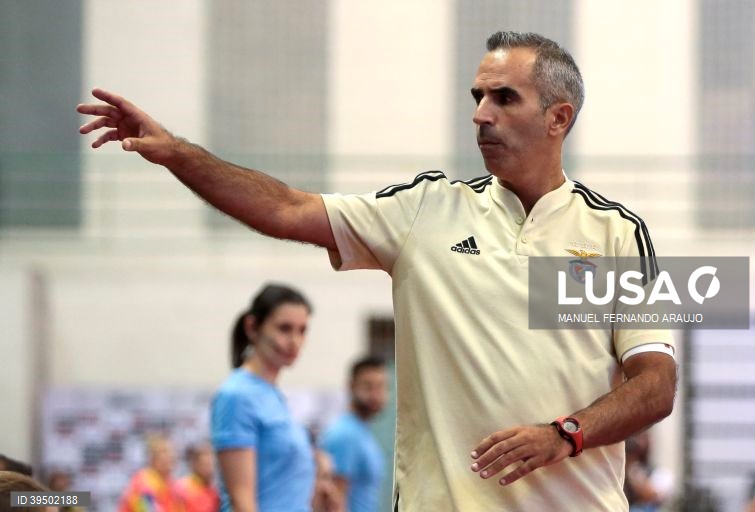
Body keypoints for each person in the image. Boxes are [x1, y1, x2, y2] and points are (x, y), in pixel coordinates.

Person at [78, 30, 678, 511]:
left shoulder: (613, 234)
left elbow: (654, 384)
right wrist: (178, 152)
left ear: (558, 118)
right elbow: (287, 208)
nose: (481, 115)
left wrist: (563, 433)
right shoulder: (425, 211)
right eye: (476, 98)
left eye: (503, 98)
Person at [210, 284, 316, 512]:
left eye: (302, 330)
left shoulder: (273, 395)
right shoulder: (237, 396)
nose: (294, 340)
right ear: (252, 327)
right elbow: (242, 503)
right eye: (284, 328)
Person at [320, 356, 388, 512]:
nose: (376, 394)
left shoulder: (362, 432)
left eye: (381, 386)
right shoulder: (345, 435)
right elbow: (333, 502)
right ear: (351, 386)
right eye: (368, 386)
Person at [118, 434, 183, 512]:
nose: (171, 455)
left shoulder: (172, 483)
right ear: (151, 457)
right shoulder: (141, 484)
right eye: (164, 452)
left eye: (172, 451)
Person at [174, 441, 219, 512]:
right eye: (205, 465)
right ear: (194, 465)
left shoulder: (214, 493)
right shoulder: (182, 487)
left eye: (211, 465)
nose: (209, 470)